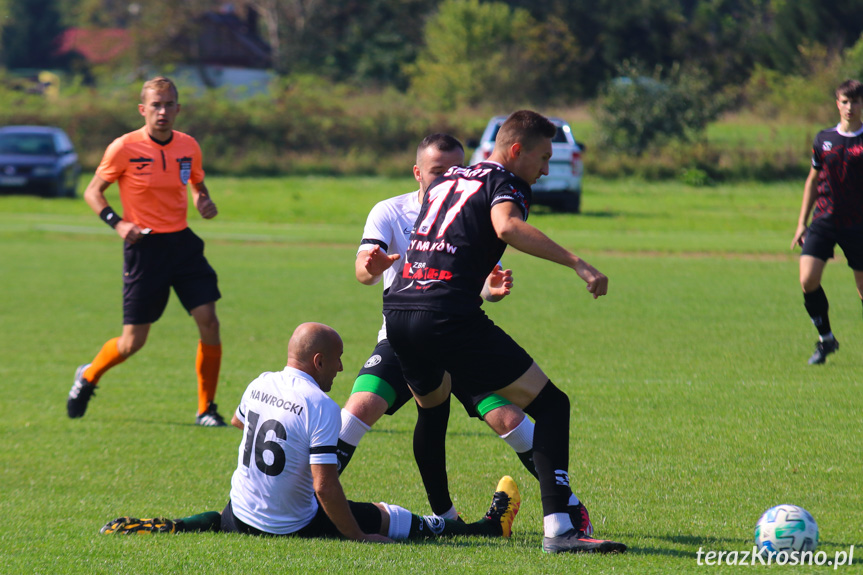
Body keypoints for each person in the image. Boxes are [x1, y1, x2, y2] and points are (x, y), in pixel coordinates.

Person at [382, 110, 626, 554]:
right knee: (552, 404)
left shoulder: (448, 180)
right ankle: (560, 528)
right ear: (516, 151)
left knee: (433, 411)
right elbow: (506, 227)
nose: (546, 168)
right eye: (543, 157)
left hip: (399, 311)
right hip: (446, 315)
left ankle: (444, 519)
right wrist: (577, 262)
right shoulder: (507, 182)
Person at [99, 322, 520, 542]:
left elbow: (240, 424)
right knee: (388, 517)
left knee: (221, 519)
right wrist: (357, 535)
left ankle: (174, 525)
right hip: (291, 524)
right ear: (318, 361)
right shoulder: (320, 404)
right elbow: (324, 486)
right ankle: (486, 529)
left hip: (241, 514)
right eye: (337, 360)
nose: (341, 368)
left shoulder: (259, 381)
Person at [339, 133, 572, 527]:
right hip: (403, 335)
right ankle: (306, 496)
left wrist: (488, 290)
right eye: (437, 171)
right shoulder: (390, 211)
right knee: (361, 406)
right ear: (417, 173)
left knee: (510, 420)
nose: (449, 177)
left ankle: (568, 504)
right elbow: (363, 268)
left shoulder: (474, 205)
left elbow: (464, 280)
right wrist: (372, 266)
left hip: (454, 333)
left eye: (456, 169)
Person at [66, 76, 226, 426]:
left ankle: (206, 409)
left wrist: (203, 199)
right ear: (143, 109)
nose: (163, 111)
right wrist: (118, 223)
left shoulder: (188, 146)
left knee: (209, 322)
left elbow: (196, 181)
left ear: (178, 109)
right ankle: (89, 375)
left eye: (169, 104)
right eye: (156, 105)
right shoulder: (124, 147)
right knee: (132, 343)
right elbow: (93, 192)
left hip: (183, 245)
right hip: (144, 248)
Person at [792, 79, 863, 365]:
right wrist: (801, 223)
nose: (850, 107)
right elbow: (812, 180)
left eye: (855, 101)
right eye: (845, 101)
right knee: (807, 280)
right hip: (824, 218)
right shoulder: (823, 139)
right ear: (837, 103)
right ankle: (826, 340)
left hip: (858, 223)